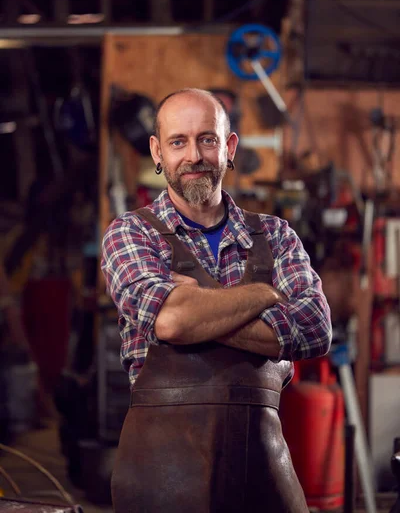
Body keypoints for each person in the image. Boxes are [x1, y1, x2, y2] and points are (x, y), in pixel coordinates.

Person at [101, 88, 332, 513]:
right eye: (178, 142)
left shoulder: (276, 236)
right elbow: (171, 323)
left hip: (264, 476)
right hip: (161, 480)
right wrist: (266, 294)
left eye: (207, 139)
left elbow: (316, 329)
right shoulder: (131, 233)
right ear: (157, 152)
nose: (194, 156)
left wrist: (197, 310)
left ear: (229, 148)